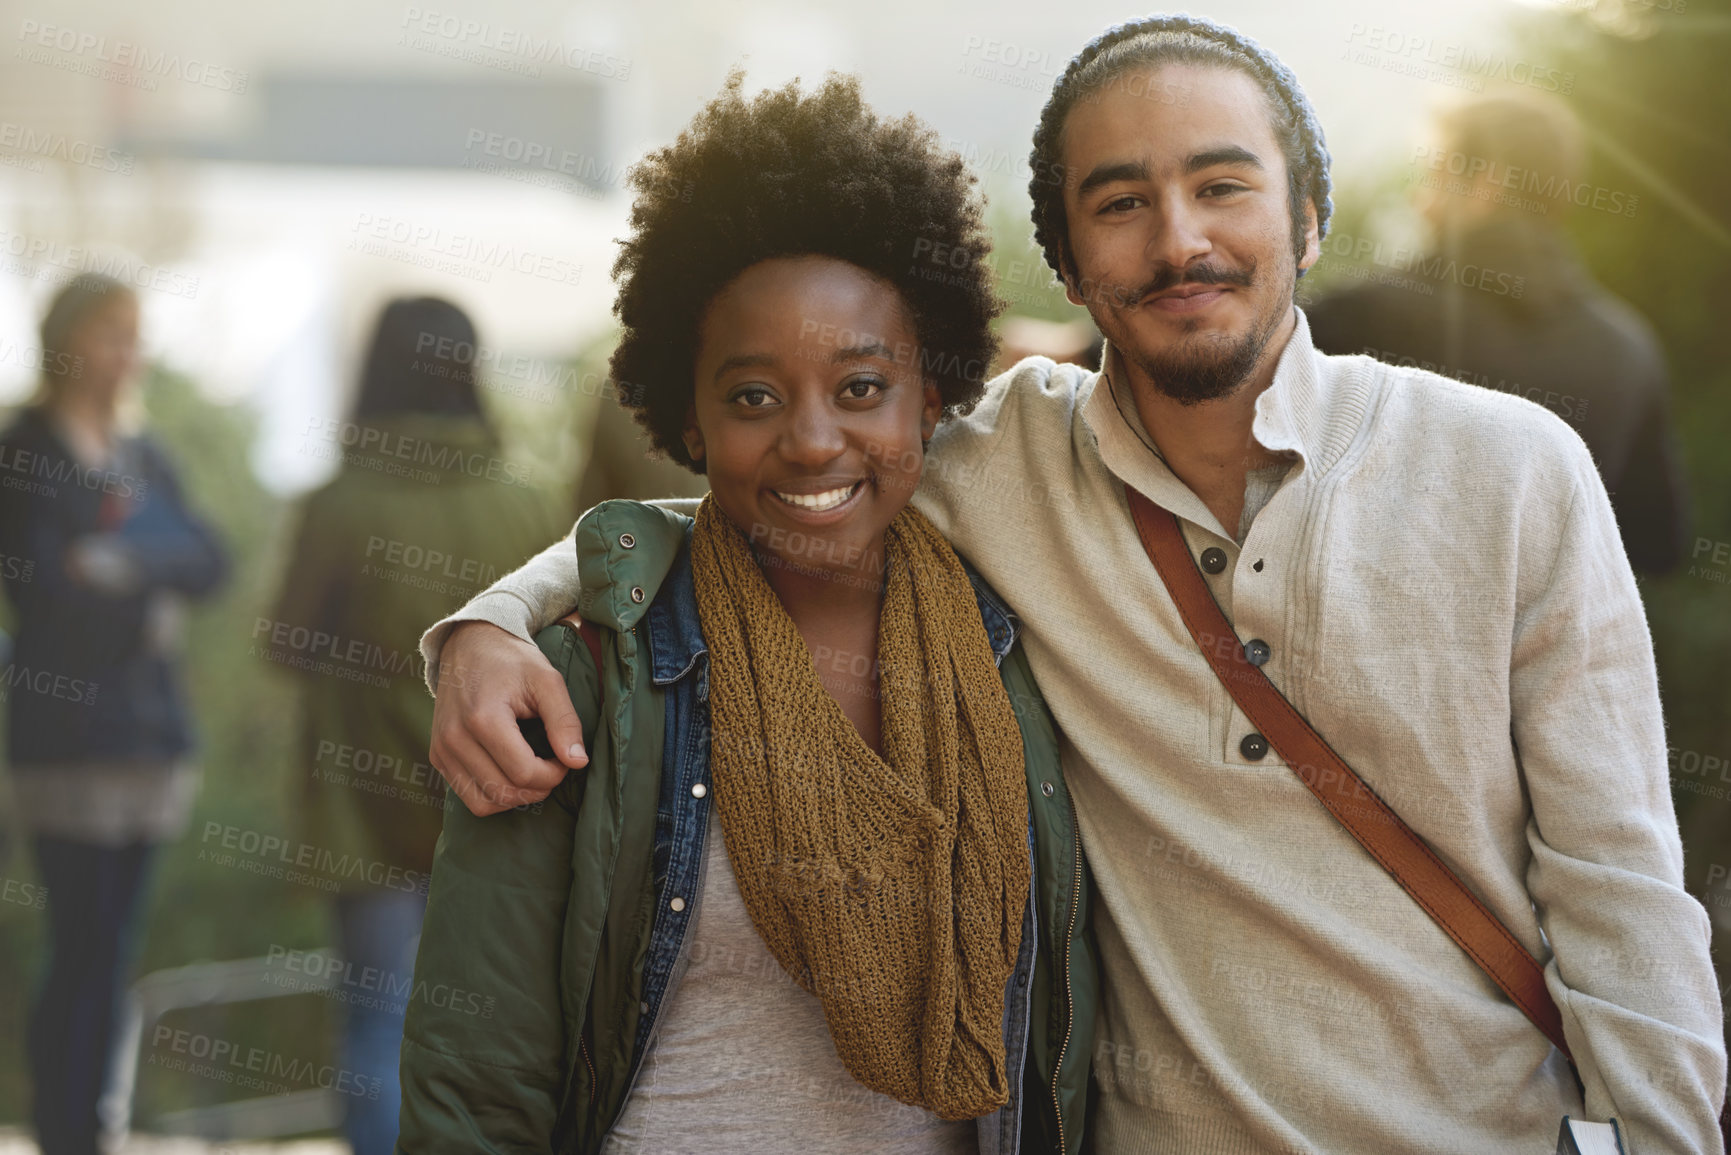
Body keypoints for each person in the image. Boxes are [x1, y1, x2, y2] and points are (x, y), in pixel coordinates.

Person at [419, 17, 1726, 1153]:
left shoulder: (1512, 468)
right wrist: (489, 618)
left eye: (1222, 186)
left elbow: (1617, 884)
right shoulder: (995, 463)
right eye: (1118, 202)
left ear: (1305, 211)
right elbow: (752, 493)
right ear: (1064, 251)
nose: (1176, 240)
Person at [397, 74, 1096, 1155]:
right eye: (755, 397)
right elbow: (475, 1086)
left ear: (934, 395)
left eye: (862, 387)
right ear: (688, 414)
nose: (813, 442)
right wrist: (491, 626)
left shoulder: (1022, 645)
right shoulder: (583, 685)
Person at [268, 296, 565, 1155]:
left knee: (375, 1032)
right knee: (496, 1035)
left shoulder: (338, 504)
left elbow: (286, 640)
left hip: (362, 813)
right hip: (502, 807)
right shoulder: (526, 506)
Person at [0, 274, 228, 1155]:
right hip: (66, 742)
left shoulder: (144, 451)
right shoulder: (24, 448)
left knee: (117, 947)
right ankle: (68, 1131)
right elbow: (42, 590)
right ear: (66, 340)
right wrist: (142, 590)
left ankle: (97, 1122)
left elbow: (207, 560)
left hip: (148, 734)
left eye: (135, 334)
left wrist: (115, 567)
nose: (127, 352)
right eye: (110, 334)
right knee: (79, 947)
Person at [1305, 92, 1691, 575]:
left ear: (1486, 184)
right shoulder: (1629, 347)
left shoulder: (1354, 317)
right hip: (1550, 647)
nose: (1419, 200)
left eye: (1434, 176)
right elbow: (1659, 547)